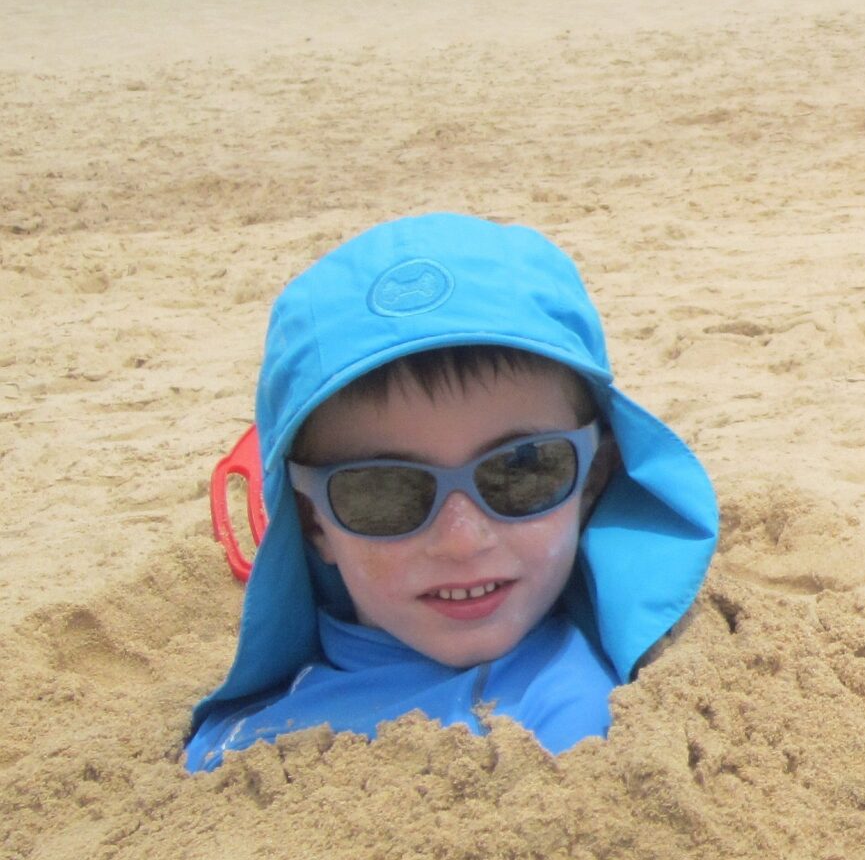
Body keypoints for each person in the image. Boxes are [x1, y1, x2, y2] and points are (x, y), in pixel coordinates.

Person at [184, 214, 718, 773]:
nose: (461, 540)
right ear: (313, 521)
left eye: (521, 470)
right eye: (385, 491)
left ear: (593, 479)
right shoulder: (242, 741)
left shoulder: (591, 722)